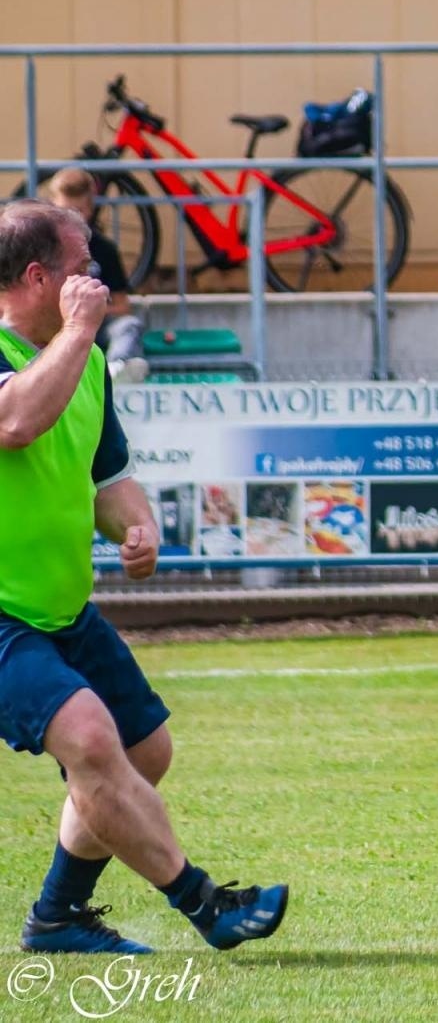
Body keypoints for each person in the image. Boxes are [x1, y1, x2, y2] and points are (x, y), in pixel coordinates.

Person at [0, 201, 288, 954]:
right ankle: (207, 904)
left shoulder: (87, 362)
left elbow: (108, 478)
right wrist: (80, 332)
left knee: (145, 749)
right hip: (1, 618)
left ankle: (58, 917)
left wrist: (138, 526)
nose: (98, 280)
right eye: (84, 266)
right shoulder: (58, 348)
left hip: (62, 608)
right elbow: (14, 423)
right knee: (91, 740)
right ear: (39, 278)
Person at [47, 168, 147, 384]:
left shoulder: (104, 250)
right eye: (65, 210)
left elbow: (122, 306)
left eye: (79, 211)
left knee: (129, 326)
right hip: (54, 325)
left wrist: (90, 310)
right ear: (53, 206)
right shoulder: (41, 249)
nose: (72, 218)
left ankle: (116, 370)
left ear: (90, 209)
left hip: (96, 325)